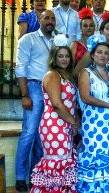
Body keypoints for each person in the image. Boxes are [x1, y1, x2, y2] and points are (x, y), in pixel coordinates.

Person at [77, 39, 109, 193]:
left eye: (106, 53)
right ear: (92, 55)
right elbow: (85, 97)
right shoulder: (85, 73)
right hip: (93, 124)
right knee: (95, 156)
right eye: (99, 52)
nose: (103, 55)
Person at [14, 10, 56, 192]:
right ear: (39, 20)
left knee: (42, 135)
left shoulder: (57, 41)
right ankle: (20, 177)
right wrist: (25, 94)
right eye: (46, 17)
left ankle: (35, 174)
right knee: (29, 132)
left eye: (53, 18)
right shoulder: (28, 39)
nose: (50, 21)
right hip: (33, 86)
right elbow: (21, 66)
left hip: (51, 88)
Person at [30, 46, 78, 193]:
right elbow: (57, 104)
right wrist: (74, 122)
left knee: (64, 162)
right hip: (54, 126)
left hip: (64, 123)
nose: (64, 59)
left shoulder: (66, 75)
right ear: (54, 58)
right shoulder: (52, 75)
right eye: (60, 56)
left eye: (67, 56)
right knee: (57, 163)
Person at [70, 7, 95, 74]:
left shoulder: (98, 44)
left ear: (95, 28)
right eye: (85, 26)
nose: (88, 28)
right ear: (81, 28)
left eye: (91, 25)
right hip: (78, 79)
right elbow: (70, 67)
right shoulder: (75, 44)